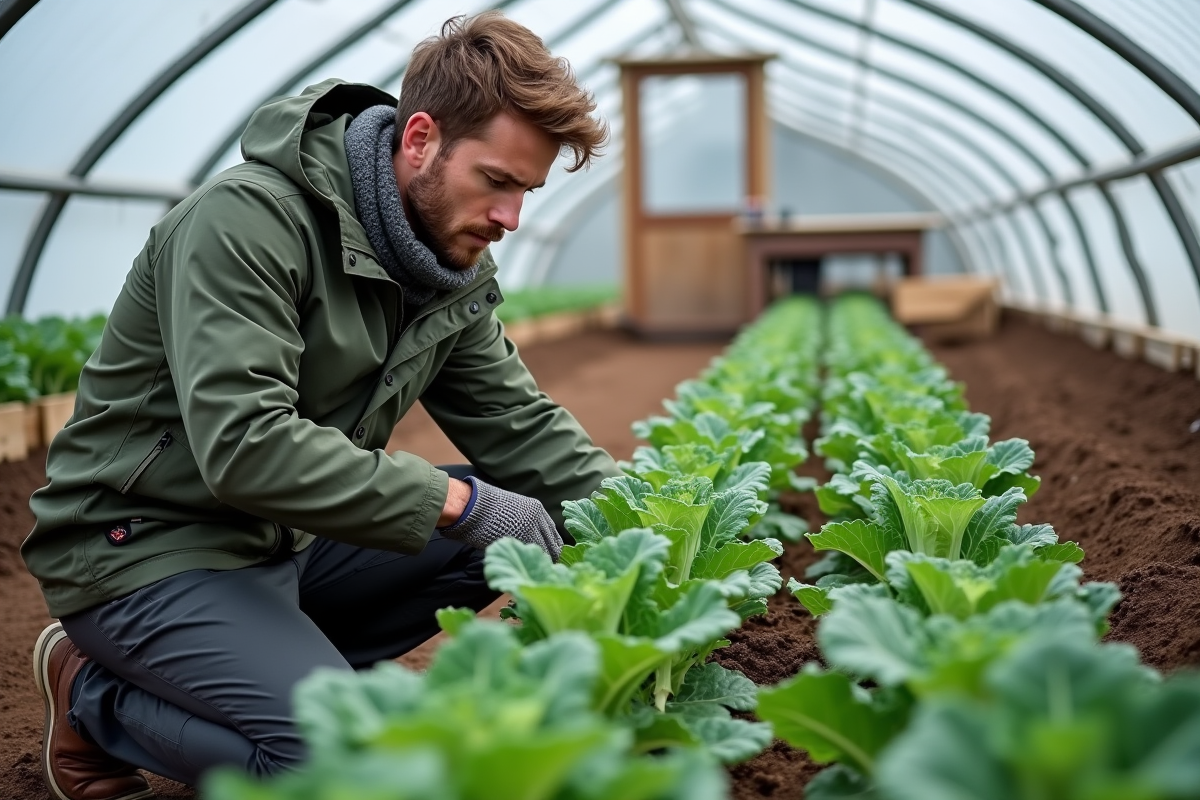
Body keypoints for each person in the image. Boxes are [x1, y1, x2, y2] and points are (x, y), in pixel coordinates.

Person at [21, 12, 620, 800]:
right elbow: (247, 447)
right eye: (497, 181)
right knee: (341, 763)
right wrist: (455, 500)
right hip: (146, 545)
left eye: (528, 192)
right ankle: (88, 691)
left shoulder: (445, 266)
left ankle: (275, 670)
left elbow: (523, 429)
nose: (511, 219)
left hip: (281, 543)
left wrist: (653, 529)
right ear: (419, 140)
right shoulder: (246, 222)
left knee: (508, 529)